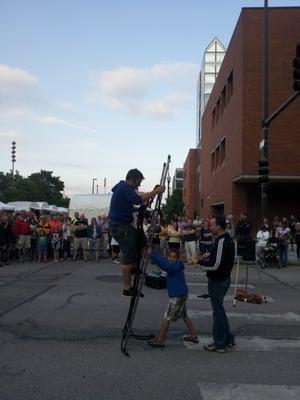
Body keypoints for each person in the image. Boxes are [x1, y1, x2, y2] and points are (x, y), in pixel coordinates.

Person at [109, 168, 165, 297]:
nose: (139, 185)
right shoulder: (125, 187)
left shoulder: (122, 188)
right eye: (138, 182)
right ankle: (127, 288)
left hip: (121, 224)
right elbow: (137, 200)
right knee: (128, 254)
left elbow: (130, 206)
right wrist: (155, 191)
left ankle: (134, 267)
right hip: (120, 226)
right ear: (133, 179)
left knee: (139, 237)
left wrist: (141, 208)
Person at [193, 216, 235, 353]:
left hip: (218, 281)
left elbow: (216, 265)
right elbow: (217, 256)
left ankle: (219, 344)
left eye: (211, 225)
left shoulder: (223, 241)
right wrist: (207, 255)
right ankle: (228, 339)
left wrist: (198, 263)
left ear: (218, 226)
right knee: (220, 311)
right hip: (222, 279)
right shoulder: (223, 239)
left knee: (218, 313)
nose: (209, 227)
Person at [147, 248, 198, 348]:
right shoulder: (173, 264)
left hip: (177, 296)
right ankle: (193, 336)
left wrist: (153, 254)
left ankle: (161, 340)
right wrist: (153, 254)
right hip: (181, 294)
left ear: (178, 259)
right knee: (184, 316)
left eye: (174, 257)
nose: (172, 259)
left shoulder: (176, 266)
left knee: (167, 317)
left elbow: (166, 266)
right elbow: (164, 262)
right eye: (170, 257)